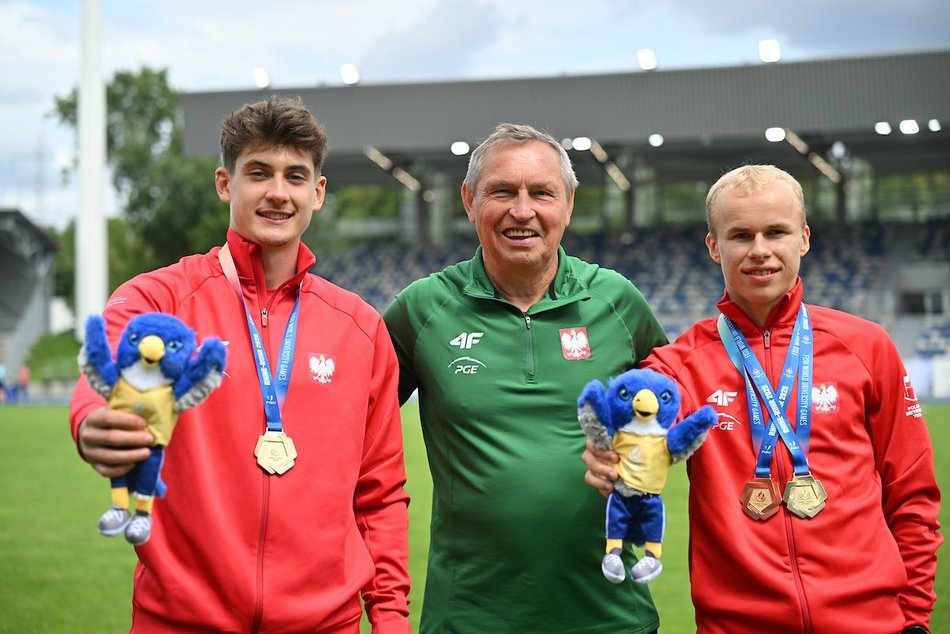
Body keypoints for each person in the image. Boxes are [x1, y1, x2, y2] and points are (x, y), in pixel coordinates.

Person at [69, 96, 411, 633]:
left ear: (317, 193)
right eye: (259, 173)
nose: (278, 192)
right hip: (180, 621)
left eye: (295, 176)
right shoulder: (163, 298)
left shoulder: (361, 328)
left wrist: (390, 619)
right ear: (226, 184)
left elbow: (380, 494)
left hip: (326, 624)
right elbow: (108, 356)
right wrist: (91, 420)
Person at [583, 164, 942, 634]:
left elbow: (912, 495)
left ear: (804, 238)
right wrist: (611, 440)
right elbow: (643, 414)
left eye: (776, 232)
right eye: (740, 235)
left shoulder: (866, 346)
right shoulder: (682, 364)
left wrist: (913, 617)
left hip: (872, 622)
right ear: (714, 246)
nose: (760, 251)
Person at [383, 123, 668, 633]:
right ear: (469, 201)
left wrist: (642, 447)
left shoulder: (618, 302)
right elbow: (347, 427)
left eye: (541, 193)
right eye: (502, 192)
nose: (522, 210)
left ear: (569, 203)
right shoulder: (423, 309)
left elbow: (679, 406)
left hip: (611, 617)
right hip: (469, 619)